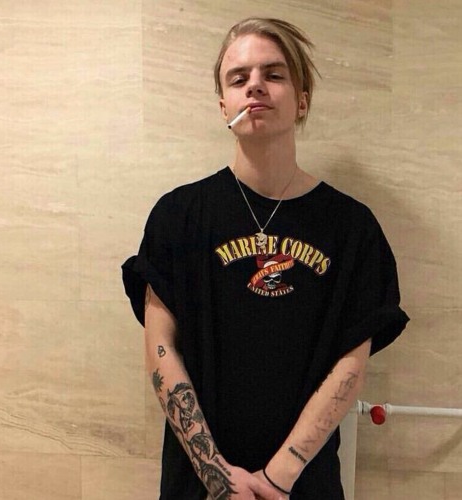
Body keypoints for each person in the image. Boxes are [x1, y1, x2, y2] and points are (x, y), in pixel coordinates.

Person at [122, 17, 409, 500]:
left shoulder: (352, 228)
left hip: (304, 485)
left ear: (302, 100)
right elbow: (160, 348)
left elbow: (350, 366)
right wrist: (216, 475)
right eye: (239, 78)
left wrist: (279, 476)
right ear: (223, 105)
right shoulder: (178, 216)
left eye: (274, 74)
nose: (255, 85)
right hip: (198, 487)